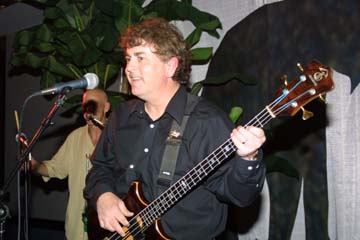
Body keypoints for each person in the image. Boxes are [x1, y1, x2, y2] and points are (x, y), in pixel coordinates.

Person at [84, 17, 266, 239]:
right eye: (128, 58)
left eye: (141, 58)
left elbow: (240, 196)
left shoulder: (207, 122)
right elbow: (100, 168)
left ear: (170, 66)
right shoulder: (121, 116)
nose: (129, 67)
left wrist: (248, 160)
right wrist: (103, 196)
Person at [30, 89, 110, 240]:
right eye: (86, 106)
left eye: (94, 105)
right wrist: (35, 166)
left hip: (107, 226)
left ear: (106, 107)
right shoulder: (75, 137)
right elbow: (55, 168)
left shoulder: (117, 137)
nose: (89, 111)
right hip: (77, 226)